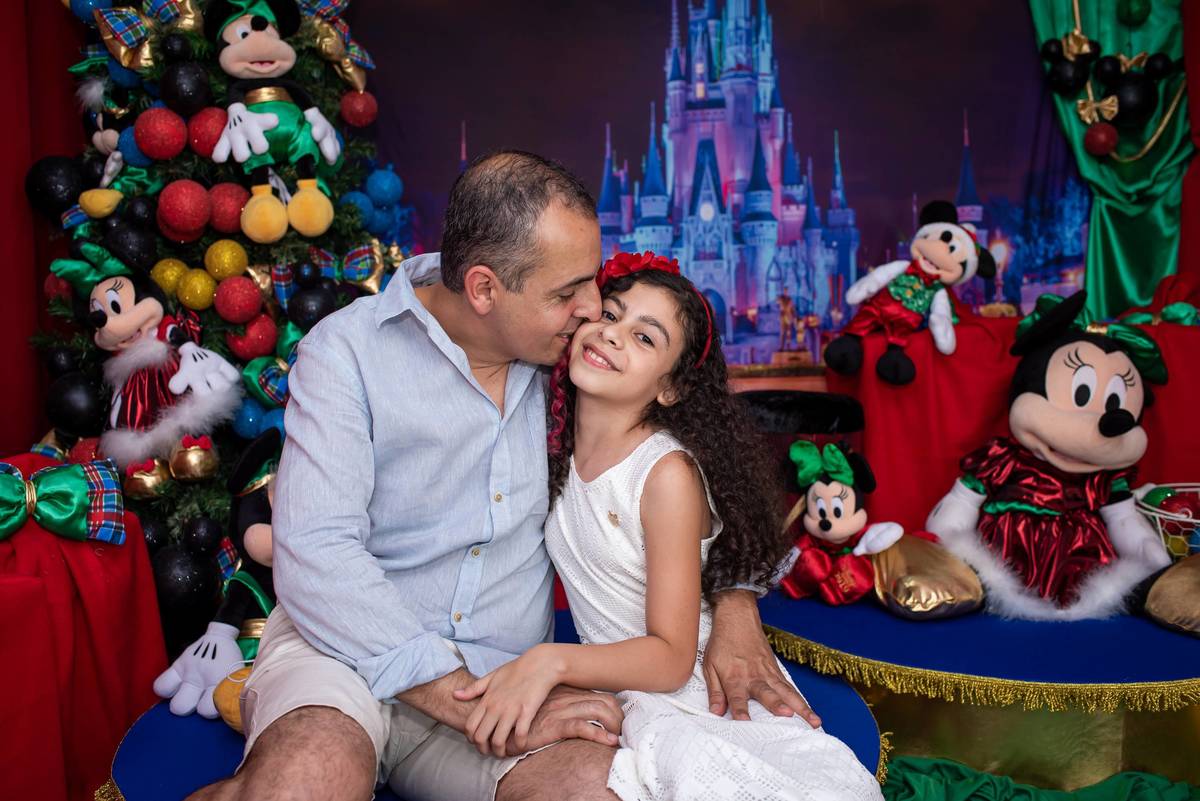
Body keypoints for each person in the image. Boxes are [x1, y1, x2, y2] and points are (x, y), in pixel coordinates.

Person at [187, 152, 820, 801]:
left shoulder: (575, 368)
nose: (593, 308)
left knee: (600, 790)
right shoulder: (346, 352)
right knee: (308, 780)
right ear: (485, 290)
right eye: (568, 294)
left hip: (504, 677)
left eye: (594, 283)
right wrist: (458, 697)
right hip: (342, 661)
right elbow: (317, 552)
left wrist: (735, 605)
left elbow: (698, 466)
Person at [452, 252, 882, 800]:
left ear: (671, 388)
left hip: (684, 695)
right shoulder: (552, 437)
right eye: (610, 314)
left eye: (644, 337)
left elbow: (673, 659)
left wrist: (551, 661)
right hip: (618, 685)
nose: (612, 334)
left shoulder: (664, 475)